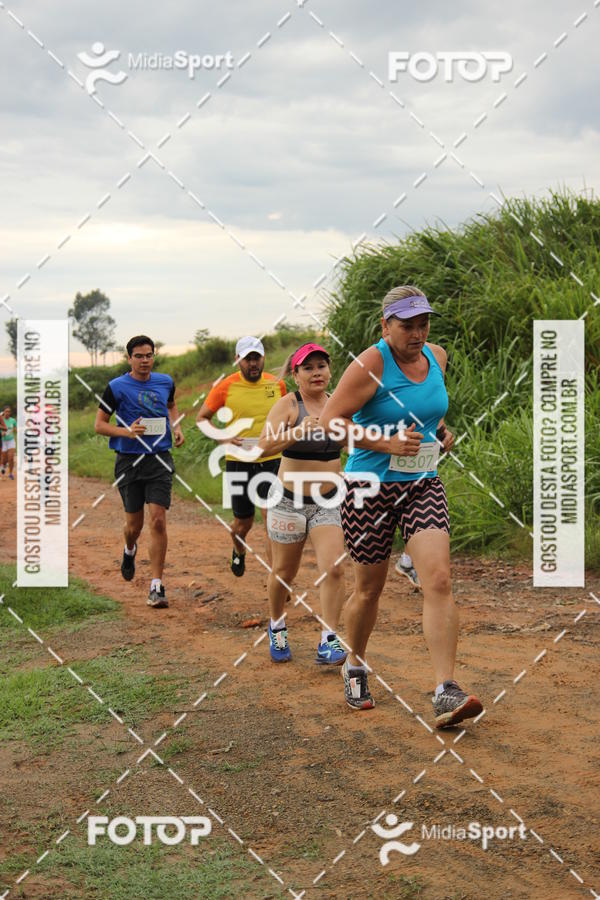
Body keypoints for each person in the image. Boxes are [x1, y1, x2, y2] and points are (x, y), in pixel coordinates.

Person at [320, 285, 482, 727]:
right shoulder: (370, 364)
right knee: (368, 590)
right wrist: (384, 442)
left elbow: (431, 411)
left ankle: (446, 690)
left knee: (439, 579)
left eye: (423, 324)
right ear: (385, 325)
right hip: (369, 487)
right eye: (407, 325)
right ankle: (354, 663)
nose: (417, 333)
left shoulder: (437, 357)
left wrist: (440, 433)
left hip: (421, 483)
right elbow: (330, 421)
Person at [257, 342, 347, 665]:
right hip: (288, 501)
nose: (316, 372)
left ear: (330, 371)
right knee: (284, 572)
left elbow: (354, 441)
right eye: (308, 368)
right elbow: (263, 446)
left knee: (334, 567)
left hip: (328, 501)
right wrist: (296, 433)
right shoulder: (288, 405)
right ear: (295, 375)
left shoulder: (340, 404)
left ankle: (329, 639)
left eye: (321, 366)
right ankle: (277, 624)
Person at [94, 335, 184, 608]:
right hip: (129, 461)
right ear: (129, 358)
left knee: (158, 520)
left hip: (159, 459)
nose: (145, 361)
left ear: (154, 356)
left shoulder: (165, 382)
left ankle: (156, 585)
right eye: (139, 356)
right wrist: (127, 432)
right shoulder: (116, 387)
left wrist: (176, 427)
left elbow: (171, 406)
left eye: (149, 355)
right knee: (134, 526)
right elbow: (100, 425)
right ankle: (129, 548)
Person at [196, 336, 286, 577]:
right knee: (242, 524)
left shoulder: (277, 384)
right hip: (239, 463)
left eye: (257, 358)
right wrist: (223, 438)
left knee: (270, 517)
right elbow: (201, 418)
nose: (253, 363)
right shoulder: (225, 386)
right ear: (238, 360)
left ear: (263, 358)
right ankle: (238, 548)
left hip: (272, 459)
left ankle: (277, 579)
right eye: (247, 359)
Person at [0, 406, 17, 480]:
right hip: (3, 441)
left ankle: (10, 473)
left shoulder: (13, 420)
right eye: (6, 411)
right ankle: (3, 467)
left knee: (11, 457)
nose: (8, 413)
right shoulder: (1, 420)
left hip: (11, 440)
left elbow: (15, 428)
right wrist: (2, 433)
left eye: (9, 411)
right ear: (3, 412)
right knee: (4, 459)